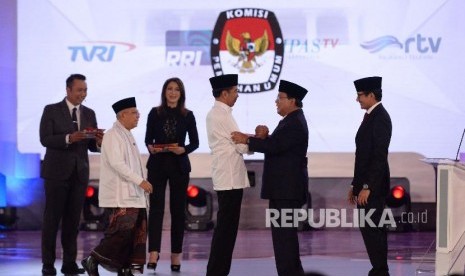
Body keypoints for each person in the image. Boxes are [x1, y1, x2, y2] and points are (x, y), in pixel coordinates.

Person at [231, 79, 309, 276]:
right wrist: (262, 137)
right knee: (283, 238)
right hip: (284, 190)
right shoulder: (291, 121)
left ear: (292, 101)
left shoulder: (295, 123)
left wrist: (248, 140)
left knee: (285, 239)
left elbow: (275, 147)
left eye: (280, 98)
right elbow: (277, 144)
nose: (277, 101)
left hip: (287, 191)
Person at [39, 73, 103, 276]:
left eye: (85, 90)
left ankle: (69, 263)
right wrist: (69, 138)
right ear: (68, 90)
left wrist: (99, 141)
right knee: (51, 221)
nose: (82, 94)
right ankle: (48, 264)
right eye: (79, 90)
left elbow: (92, 146)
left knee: (73, 222)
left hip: (79, 174)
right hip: (56, 173)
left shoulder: (89, 113)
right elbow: (45, 139)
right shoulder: (51, 110)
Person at [81, 97, 153, 276]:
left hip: (134, 195)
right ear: (123, 115)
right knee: (120, 234)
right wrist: (140, 181)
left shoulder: (127, 134)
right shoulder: (113, 135)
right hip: (122, 194)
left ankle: (125, 267)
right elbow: (117, 164)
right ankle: (93, 259)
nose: (138, 116)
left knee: (134, 235)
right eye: (134, 113)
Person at [144, 77, 199, 272]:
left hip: (179, 167)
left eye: (177, 89)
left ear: (181, 93)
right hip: (157, 166)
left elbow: (195, 143)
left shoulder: (188, 115)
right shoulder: (154, 113)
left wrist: (182, 150)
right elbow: (147, 140)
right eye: (169, 89)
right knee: (156, 211)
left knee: (178, 212)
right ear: (164, 91)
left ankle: (176, 256)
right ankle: (153, 253)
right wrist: (151, 148)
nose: (173, 92)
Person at [205, 74, 253, 276]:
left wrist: (248, 138)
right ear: (224, 93)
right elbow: (241, 145)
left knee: (226, 230)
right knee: (226, 231)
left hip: (228, 177)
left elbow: (239, 141)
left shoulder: (220, 113)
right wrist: (258, 139)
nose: (237, 95)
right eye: (235, 91)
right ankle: (216, 272)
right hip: (230, 180)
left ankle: (218, 271)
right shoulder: (221, 115)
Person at [347, 76, 392, 276]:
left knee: (372, 229)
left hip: (373, 187)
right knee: (371, 228)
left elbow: (379, 157)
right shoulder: (371, 115)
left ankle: (380, 270)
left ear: (371, 95)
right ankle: (379, 269)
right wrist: (354, 185)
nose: (357, 99)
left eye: (360, 95)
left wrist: (367, 187)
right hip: (365, 185)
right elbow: (363, 156)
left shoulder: (380, 117)